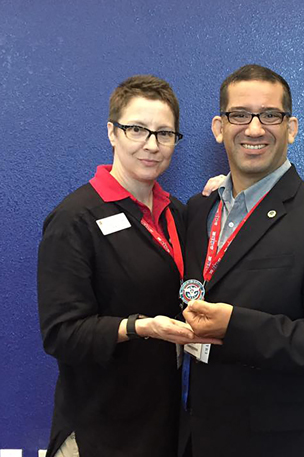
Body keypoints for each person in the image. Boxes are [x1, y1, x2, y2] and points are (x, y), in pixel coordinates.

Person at [180, 64, 304, 457]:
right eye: (239, 115)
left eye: (270, 115)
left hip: (282, 445)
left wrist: (235, 325)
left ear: (291, 128)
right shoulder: (198, 211)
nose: (254, 128)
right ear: (219, 127)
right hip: (202, 437)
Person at [37, 75, 217, 456]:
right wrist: (140, 326)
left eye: (164, 133)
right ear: (112, 132)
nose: (151, 145)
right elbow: (61, 334)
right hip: (99, 429)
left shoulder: (177, 214)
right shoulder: (75, 218)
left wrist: (229, 194)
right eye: (137, 129)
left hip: (162, 424)